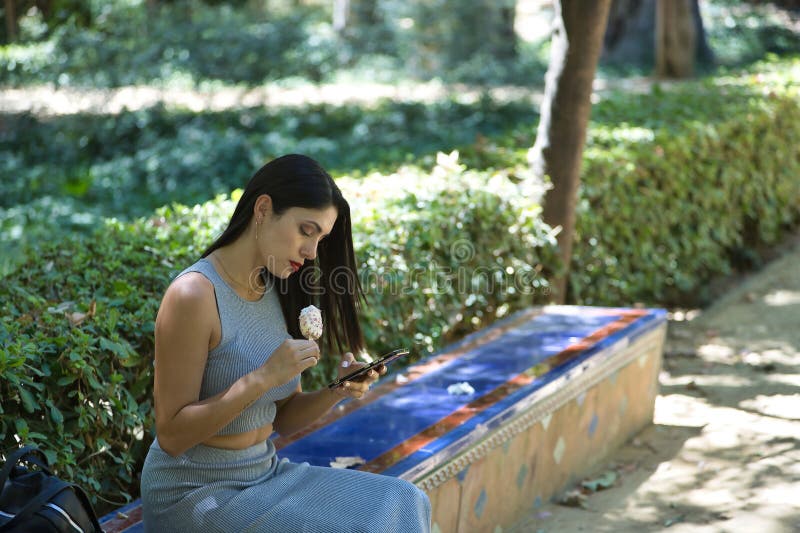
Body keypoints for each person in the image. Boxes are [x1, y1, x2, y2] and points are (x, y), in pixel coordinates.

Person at [140, 154, 431, 532]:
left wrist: (337, 390)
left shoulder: (277, 289)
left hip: (265, 474)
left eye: (321, 239)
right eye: (306, 230)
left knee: (404, 500)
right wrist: (262, 378)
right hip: (195, 492)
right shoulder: (194, 294)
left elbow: (284, 416)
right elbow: (173, 435)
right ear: (264, 209)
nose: (312, 251)